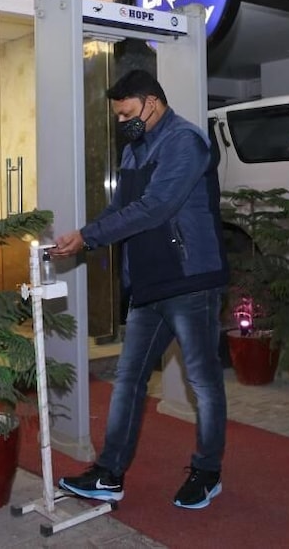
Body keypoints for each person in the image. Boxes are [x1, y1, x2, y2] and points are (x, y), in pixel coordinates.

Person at [51, 69, 229, 510]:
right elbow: (121, 208)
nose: (121, 122)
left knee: (203, 382)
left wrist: (89, 237)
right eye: (117, 115)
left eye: (126, 113)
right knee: (128, 380)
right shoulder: (134, 150)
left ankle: (207, 472)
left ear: (151, 102)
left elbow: (155, 208)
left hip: (190, 281)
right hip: (149, 284)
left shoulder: (185, 142)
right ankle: (109, 474)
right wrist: (84, 234)